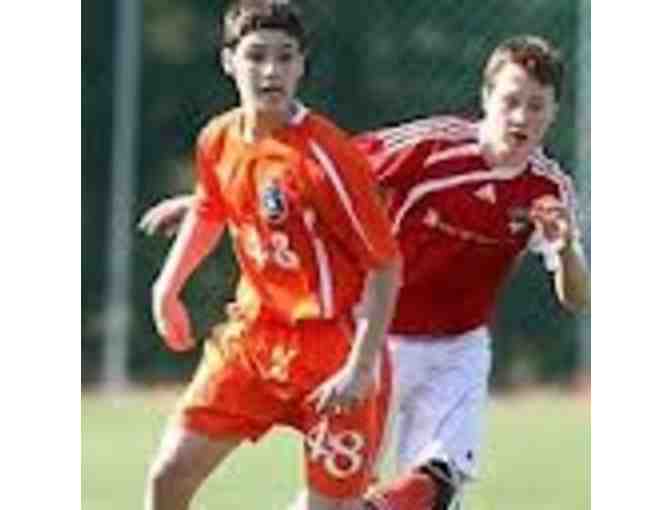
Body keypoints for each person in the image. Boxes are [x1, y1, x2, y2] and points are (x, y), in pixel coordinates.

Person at [141, 35, 590, 510]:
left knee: (440, 485)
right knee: (339, 499)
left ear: (554, 112)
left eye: (536, 106)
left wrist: (566, 249)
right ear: (486, 98)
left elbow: (579, 297)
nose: (521, 117)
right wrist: (208, 202)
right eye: (511, 101)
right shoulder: (430, 147)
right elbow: (315, 172)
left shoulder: (549, 191)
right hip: (379, 341)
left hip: (458, 350)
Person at [143, 2, 402, 510]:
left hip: (334, 349)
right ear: (228, 62)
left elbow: (385, 264)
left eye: (285, 57)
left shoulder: (326, 157)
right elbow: (210, 208)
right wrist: (167, 289)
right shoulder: (218, 138)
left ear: (302, 65)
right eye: (256, 56)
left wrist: (360, 367)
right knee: (168, 477)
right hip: (253, 341)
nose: (270, 71)